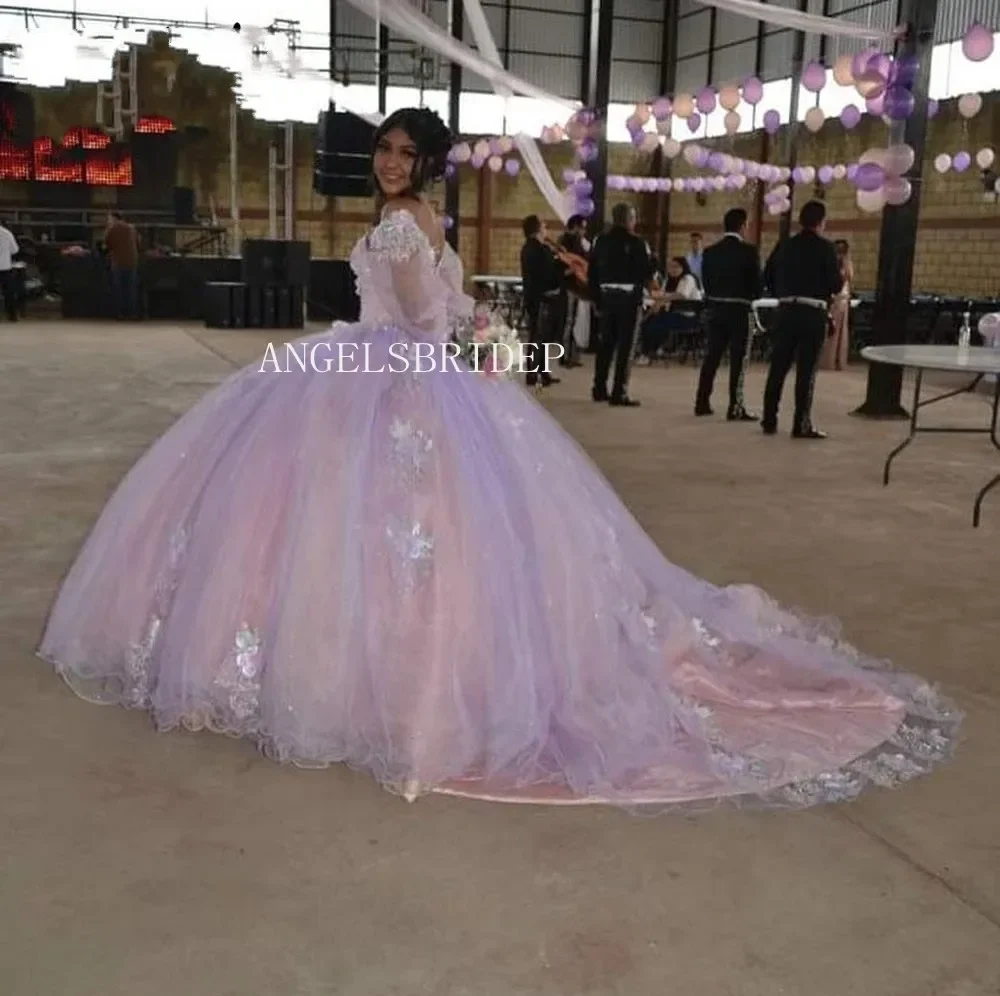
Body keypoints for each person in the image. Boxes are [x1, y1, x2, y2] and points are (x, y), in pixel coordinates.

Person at [36, 106, 960, 810]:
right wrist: (489, 353)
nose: (391, 163)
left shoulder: (403, 225)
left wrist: (462, 351)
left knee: (369, 531)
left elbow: (422, 318)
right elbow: (453, 305)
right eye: (386, 151)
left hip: (386, 372)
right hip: (390, 364)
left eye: (405, 153)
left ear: (427, 164)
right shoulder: (421, 220)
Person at [761, 200, 842, 439]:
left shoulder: (784, 245)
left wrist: (783, 294)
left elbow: (768, 275)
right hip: (812, 312)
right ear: (821, 221)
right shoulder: (826, 248)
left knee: (778, 368)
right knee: (806, 371)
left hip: (785, 311)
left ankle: (769, 420)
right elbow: (835, 284)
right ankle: (801, 423)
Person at [695, 208, 762, 421]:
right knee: (738, 359)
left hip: (715, 309)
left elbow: (705, 282)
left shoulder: (710, 252)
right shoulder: (749, 252)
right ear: (743, 226)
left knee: (711, 357)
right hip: (740, 310)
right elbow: (757, 286)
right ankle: (735, 405)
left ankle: (702, 401)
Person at [588, 203, 654, 406]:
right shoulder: (638, 243)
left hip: (606, 297)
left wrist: (596, 299)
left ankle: (599, 388)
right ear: (628, 219)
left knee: (605, 345)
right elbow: (646, 272)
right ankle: (619, 392)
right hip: (628, 299)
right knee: (626, 347)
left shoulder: (600, 241)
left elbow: (592, 273)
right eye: (633, 217)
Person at [519, 214, 562, 389]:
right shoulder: (540, 249)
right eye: (544, 226)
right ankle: (534, 372)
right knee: (539, 337)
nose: (546, 230)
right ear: (537, 229)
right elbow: (549, 273)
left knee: (538, 337)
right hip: (543, 297)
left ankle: (540, 372)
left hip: (532, 296)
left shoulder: (527, 248)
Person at [637, 256, 702, 364]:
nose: (672, 269)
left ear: (683, 267)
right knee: (650, 319)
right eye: (670, 267)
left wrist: (662, 300)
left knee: (655, 322)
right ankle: (651, 350)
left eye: (675, 266)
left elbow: (681, 295)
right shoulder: (668, 280)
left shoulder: (688, 278)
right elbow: (662, 295)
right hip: (671, 313)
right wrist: (658, 302)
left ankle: (648, 352)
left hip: (687, 317)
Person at [556, 214, 587, 368]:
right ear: (575, 227)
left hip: (575, 285)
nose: (584, 232)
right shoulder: (566, 241)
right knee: (568, 321)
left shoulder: (576, 242)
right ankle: (564, 356)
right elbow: (563, 261)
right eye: (582, 228)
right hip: (568, 285)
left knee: (571, 320)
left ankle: (569, 354)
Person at [820, 239, 854, 371]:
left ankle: (832, 360)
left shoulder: (841, 263)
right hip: (840, 298)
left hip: (840, 298)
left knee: (834, 330)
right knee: (835, 330)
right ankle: (834, 360)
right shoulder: (841, 263)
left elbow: (846, 279)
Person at [104, 212, 141, 320]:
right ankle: (132, 313)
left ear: (114, 219)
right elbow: (138, 242)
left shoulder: (112, 228)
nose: (108, 221)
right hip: (132, 261)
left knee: (118, 288)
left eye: (109, 219)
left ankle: (119, 313)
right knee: (131, 289)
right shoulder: (132, 228)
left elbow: (107, 243)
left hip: (118, 261)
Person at [0, 219, 20, 322]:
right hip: (4, 267)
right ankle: (12, 316)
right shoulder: (7, 233)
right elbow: (15, 250)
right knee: (8, 293)